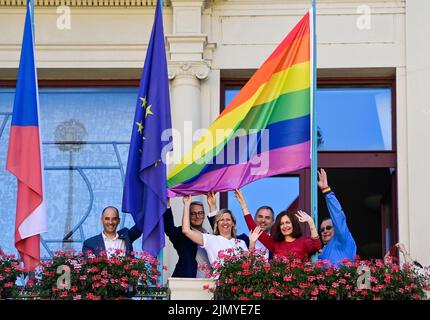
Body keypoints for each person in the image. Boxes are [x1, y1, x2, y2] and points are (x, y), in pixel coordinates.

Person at [234, 189, 321, 261]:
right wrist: (243, 206)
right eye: (281, 224)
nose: (285, 226)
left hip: (299, 282)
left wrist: (311, 223)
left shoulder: (304, 242)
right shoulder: (274, 243)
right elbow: (254, 229)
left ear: (293, 224)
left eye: (287, 222)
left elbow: (317, 246)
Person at [182, 195, 250, 266]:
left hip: (237, 277)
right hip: (218, 277)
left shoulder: (241, 243)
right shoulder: (210, 239)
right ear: (217, 224)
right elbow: (186, 230)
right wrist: (187, 205)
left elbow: (248, 265)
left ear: (233, 223)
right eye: (221, 220)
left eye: (228, 220)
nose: (225, 222)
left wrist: (252, 243)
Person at [163, 193, 216, 278]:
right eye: (193, 213)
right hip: (187, 283)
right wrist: (167, 203)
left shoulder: (210, 237)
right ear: (188, 215)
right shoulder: (182, 234)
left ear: (204, 215)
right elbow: (169, 228)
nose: (197, 216)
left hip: (209, 284)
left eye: (200, 213)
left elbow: (220, 233)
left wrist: (212, 206)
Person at [317, 169, 357, 265]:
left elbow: (338, 215)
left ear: (336, 228)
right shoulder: (321, 253)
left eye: (328, 227)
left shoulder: (343, 238)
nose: (325, 231)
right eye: (322, 230)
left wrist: (326, 190)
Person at [208, 205, 275, 258]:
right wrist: (212, 206)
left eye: (267, 218)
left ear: (273, 221)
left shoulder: (276, 243)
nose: (263, 220)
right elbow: (222, 231)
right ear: (254, 219)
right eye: (260, 216)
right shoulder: (242, 241)